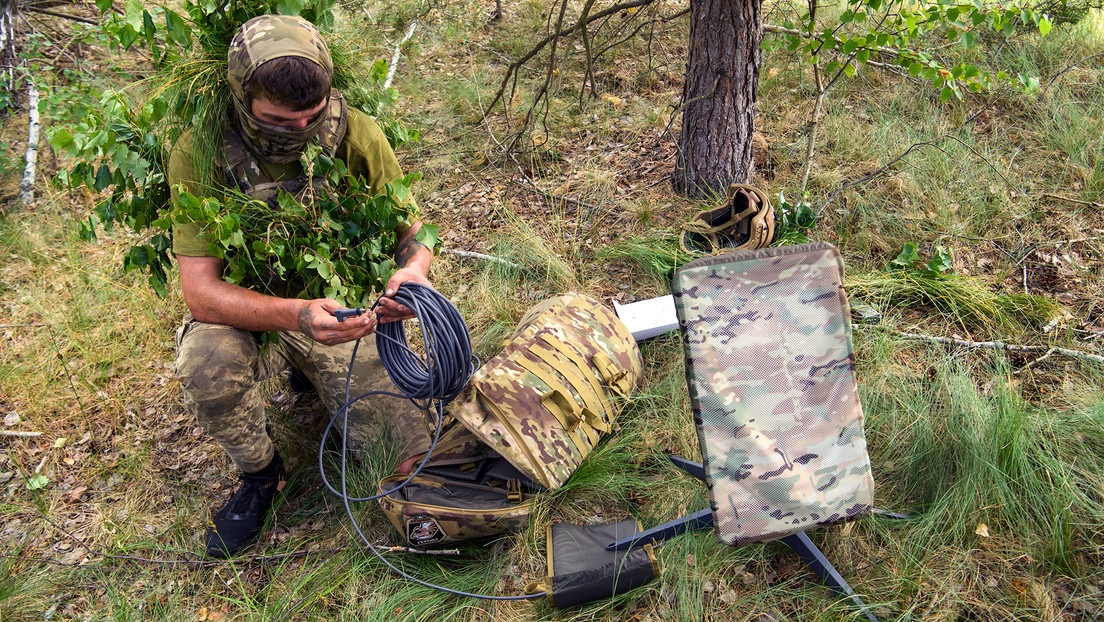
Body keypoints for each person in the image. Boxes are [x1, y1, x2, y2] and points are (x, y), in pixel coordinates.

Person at [168, 14, 434, 558]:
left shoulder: (354, 131)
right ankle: (262, 476)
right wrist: (295, 315)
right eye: (277, 121)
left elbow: (416, 233)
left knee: (408, 455)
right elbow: (201, 292)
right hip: (254, 313)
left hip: (341, 310)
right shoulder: (200, 150)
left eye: (311, 119)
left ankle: (319, 379)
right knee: (207, 362)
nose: (299, 132)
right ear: (241, 96)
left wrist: (413, 273)